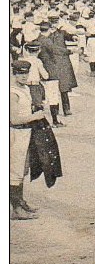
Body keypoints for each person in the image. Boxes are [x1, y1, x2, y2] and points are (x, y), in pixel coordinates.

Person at [10, 59, 48, 220]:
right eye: (20, 73)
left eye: (26, 73)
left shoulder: (24, 88)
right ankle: (16, 208)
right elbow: (13, 119)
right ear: (14, 74)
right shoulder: (13, 92)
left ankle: (20, 202)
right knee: (15, 171)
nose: (24, 76)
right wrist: (35, 116)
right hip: (16, 133)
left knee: (23, 169)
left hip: (26, 133)